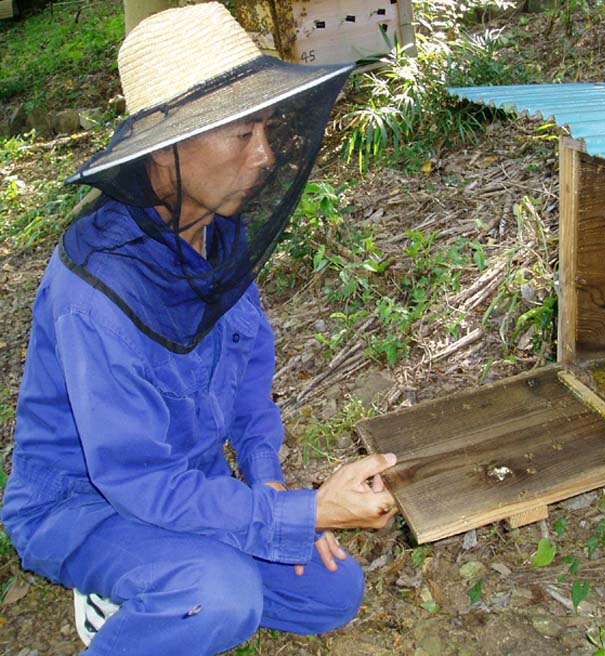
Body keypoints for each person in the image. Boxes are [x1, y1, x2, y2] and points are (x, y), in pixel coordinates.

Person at [0, 4, 398, 655]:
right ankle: (133, 583)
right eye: (243, 134)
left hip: (188, 488)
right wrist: (300, 514)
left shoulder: (214, 233)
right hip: (83, 505)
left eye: (265, 129)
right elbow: (137, 479)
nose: (265, 155)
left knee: (332, 591)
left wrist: (267, 484)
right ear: (166, 152)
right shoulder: (97, 289)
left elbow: (247, 382)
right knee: (219, 596)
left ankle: (169, 570)